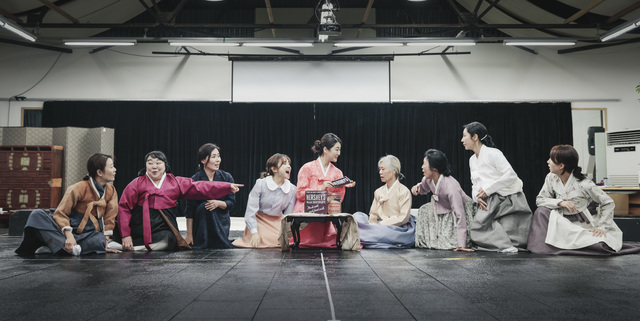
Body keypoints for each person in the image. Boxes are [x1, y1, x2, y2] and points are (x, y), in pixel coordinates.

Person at [117, 151, 242, 251]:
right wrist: (126, 234)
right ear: (145, 166)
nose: (154, 166)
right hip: (139, 226)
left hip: (162, 226)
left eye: (158, 163)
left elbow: (199, 187)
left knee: (170, 240)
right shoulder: (136, 183)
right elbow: (124, 207)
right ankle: (127, 244)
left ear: (165, 165)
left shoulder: (175, 182)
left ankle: (134, 248)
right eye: (150, 163)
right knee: (115, 233)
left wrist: (227, 187)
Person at [528, 145, 640, 255]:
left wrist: (602, 227)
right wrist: (561, 202)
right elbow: (540, 200)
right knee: (541, 211)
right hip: (562, 222)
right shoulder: (551, 178)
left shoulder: (585, 184)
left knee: (602, 245)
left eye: (551, 159)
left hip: (582, 224)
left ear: (561, 165)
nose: (548, 162)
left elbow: (608, 203)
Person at [16, 153, 120, 255]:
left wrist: (105, 243)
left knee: (99, 239)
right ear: (100, 172)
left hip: (88, 232)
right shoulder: (77, 188)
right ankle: (66, 246)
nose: (115, 170)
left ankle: (57, 247)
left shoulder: (111, 191)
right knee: (37, 215)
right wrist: (69, 236)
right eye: (111, 167)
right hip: (69, 226)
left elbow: (109, 218)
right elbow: (60, 213)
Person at [461, 121, 532, 252]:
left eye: (464, 136)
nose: (462, 140)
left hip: (507, 198)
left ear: (474, 137)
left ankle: (507, 245)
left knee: (511, 231)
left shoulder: (494, 153)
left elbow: (511, 175)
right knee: (477, 230)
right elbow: (475, 183)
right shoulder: (472, 159)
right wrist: (477, 198)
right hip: (488, 200)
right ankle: (504, 245)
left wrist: (488, 190)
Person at [293, 133, 356, 248]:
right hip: (307, 209)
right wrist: (320, 188)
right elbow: (300, 194)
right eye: (337, 149)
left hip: (327, 210)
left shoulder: (338, 172)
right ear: (326, 149)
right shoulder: (307, 168)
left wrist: (342, 185)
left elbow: (339, 199)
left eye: (340, 150)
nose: (339, 153)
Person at [411, 149, 475, 251]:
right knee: (423, 209)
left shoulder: (451, 186)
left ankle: (459, 240)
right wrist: (418, 187)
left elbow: (460, 214)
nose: (422, 167)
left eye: (424, 164)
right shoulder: (428, 179)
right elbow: (424, 187)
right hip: (442, 207)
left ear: (434, 168)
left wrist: (461, 244)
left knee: (449, 242)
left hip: (457, 210)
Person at [233, 153, 297, 248]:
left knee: (283, 239)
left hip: (278, 222)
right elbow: (250, 211)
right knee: (262, 238)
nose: (288, 166)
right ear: (274, 169)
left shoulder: (292, 189)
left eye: (289, 164)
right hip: (259, 220)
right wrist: (254, 232)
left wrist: (286, 232)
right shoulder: (261, 184)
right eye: (284, 164)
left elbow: (288, 215)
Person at [353, 155, 415, 248]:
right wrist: (373, 225)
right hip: (377, 226)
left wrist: (381, 225)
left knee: (384, 232)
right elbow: (373, 213)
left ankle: (365, 235)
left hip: (395, 228)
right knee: (357, 216)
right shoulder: (378, 191)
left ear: (393, 171)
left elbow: (403, 218)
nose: (380, 172)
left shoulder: (403, 191)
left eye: (383, 169)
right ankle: (370, 234)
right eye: (380, 169)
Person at [184, 143, 236, 249]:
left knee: (210, 207)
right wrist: (189, 234)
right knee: (204, 206)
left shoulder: (226, 177)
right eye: (213, 157)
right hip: (201, 224)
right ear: (203, 160)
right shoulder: (194, 180)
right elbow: (190, 210)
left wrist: (218, 203)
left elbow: (231, 203)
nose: (218, 160)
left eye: (218, 156)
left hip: (220, 221)